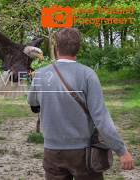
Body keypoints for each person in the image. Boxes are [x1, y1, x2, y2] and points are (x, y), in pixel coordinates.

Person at [28, 28, 134, 180]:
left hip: (52, 150)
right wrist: (122, 151)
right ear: (78, 48)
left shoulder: (40, 74)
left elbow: (32, 101)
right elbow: (101, 118)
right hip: (84, 153)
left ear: (57, 48)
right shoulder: (88, 74)